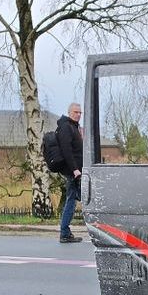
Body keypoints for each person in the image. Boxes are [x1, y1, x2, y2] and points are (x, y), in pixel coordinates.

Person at [56, 103, 85, 243]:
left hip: (77, 170)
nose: (78, 114)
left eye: (80, 112)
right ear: (69, 112)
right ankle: (64, 233)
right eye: (76, 112)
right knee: (72, 200)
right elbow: (67, 150)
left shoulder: (74, 127)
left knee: (73, 200)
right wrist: (75, 170)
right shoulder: (66, 127)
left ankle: (65, 232)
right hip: (73, 171)